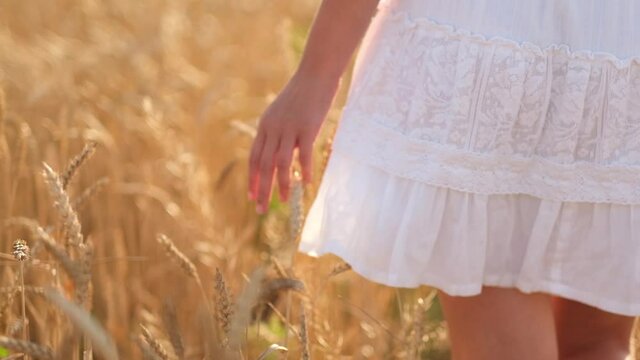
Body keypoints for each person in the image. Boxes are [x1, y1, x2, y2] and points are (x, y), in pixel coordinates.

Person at [247, 0, 640, 358]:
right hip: (622, 56)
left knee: (514, 312)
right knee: (597, 344)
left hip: (494, 48)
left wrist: (316, 75)